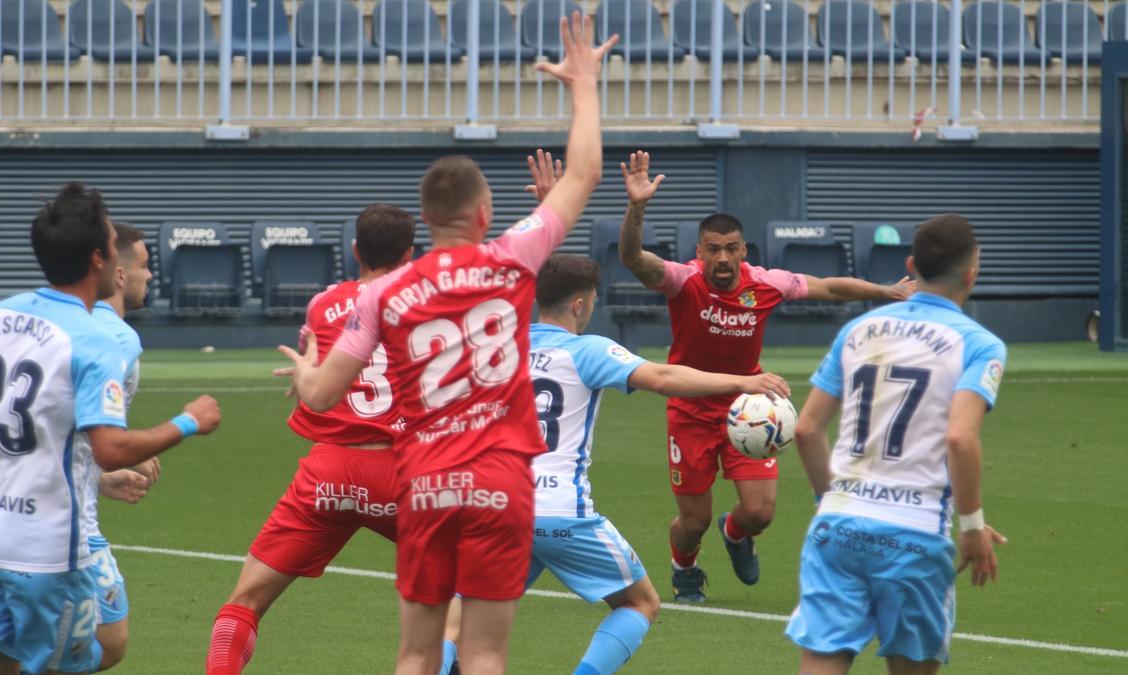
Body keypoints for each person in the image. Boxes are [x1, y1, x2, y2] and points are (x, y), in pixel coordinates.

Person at [280, 14, 619, 674]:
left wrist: (307, 362)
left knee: (417, 651)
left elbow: (321, 396)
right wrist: (583, 85)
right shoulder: (514, 258)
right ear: (484, 214)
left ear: (426, 220)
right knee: (486, 651)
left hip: (427, 478)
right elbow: (586, 171)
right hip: (501, 476)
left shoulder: (382, 293)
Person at [0, 182, 219, 675]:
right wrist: (188, 421)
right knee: (73, 662)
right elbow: (111, 448)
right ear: (99, 260)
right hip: (45, 550)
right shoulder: (95, 340)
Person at [616, 151, 917, 603]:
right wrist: (636, 206)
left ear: (743, 250)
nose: (722, 257)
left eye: (731, 248)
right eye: (712, 249)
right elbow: (634, 259)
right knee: (692, 521)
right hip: (690, 409)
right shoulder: (683, 281)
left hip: (749, 409)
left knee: (759, 512)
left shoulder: (766, 283)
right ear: (699, 253)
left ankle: (735, 535)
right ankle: (685, 567)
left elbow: (830, 286)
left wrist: (885, 292)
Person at [524, 253, 791, 675]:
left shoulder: (501, 351)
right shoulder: (587, 350)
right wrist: (743, 380)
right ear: (580, 305)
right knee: (640, 603)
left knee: (462, 609)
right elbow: (664, 379)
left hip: (497, 505)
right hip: (561, 511)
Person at [787, 213, 1008, 674]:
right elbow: (960, 437)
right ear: (972, 273)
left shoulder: (857, 331)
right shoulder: (979, 344)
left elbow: (806, 429)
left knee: (821, 662)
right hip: (914, 534)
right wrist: (971, 527)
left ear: (912, 264)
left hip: (837, 527)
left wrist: (831, 499)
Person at [205, 204, 416, 675]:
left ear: (355, 250)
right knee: (465, 598)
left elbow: (314, 364)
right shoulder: (428, 303)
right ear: (409, 253)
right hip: (405, 475)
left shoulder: (324, 303)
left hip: (331, 473)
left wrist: (306, 376)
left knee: (245, 601)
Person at [77, 222, 163, 671]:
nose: (151, 276)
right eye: (146, 266)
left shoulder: (75, 322)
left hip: (55, 503)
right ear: (122, 274)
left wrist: (102, 475)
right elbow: (76, 419)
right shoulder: (119, 338)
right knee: (110, 639)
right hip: (69, 523)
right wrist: (125, 448)